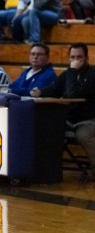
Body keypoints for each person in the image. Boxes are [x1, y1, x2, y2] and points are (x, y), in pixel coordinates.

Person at [30, 43, 95, 180]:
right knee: (45, 128)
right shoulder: (67, 74)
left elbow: (72, 95)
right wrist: (40, 92)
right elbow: (54, 89)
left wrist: (72, 70)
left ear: (87, 58)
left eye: (79, 57)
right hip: (68, 119)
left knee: (84, 136)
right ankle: (45, 169)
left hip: (89, 119)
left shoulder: (92, 75)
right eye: (72, 57)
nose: (75, 60)